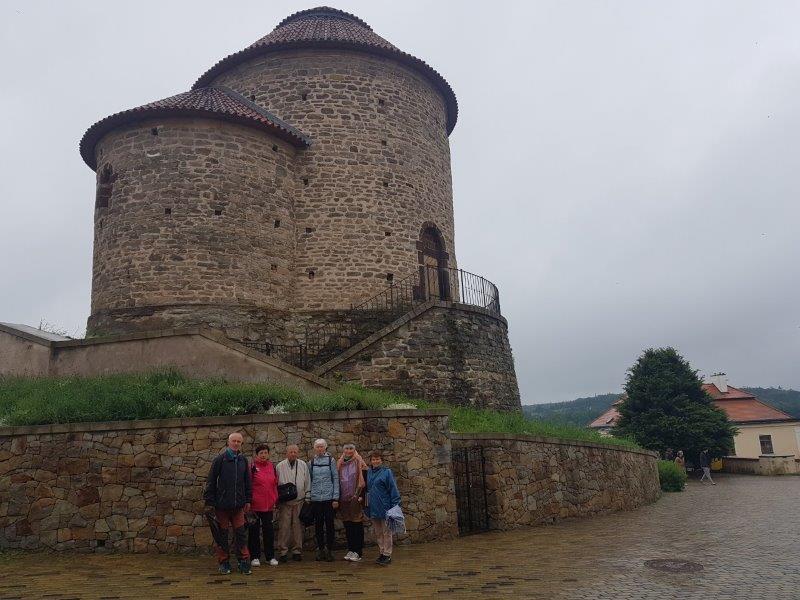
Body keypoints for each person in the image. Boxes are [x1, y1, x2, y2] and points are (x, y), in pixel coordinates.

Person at [204, 432, 252, 575]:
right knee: (222, 535)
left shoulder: (243, 460)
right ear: (228, 442)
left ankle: (243, 561)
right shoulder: (220, 460)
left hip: (238, 506)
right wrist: (210, 502)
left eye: (238, 441)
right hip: (222, 506)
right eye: (234, 441)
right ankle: (224, 562)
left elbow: (247, 482)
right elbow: (211, 481)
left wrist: (248, 500)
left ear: (241, 444)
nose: (236, 443)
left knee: (241, 534)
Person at [275, 444, 311, 562]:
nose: (293, 454)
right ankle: (283, 551)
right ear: (286, 453)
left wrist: (307, 496)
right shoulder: (280, 466)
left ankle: (297, 550)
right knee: (284, 527)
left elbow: (307, 481)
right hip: (285, 502)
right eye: (291, 452)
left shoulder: (303, 465)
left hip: (299, 500)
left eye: (295, 452)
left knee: (297, 527)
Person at [366, 450, 401, 566]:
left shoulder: (387, 472)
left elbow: (392, 488)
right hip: (373, 506)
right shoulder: (369, 472)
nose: (375, 461)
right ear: (371, 461)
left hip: (385, 506)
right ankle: (381, 552)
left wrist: (395, 504)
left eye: (377, 459)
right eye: (373, 459)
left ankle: (387, 554)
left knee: (387, 532)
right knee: (378, 532)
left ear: (381, 460)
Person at [309, 438, 340, 561]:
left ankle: (330, 549)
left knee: (330, 525)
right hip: (316, 498)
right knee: (318, 525)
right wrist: (309, 495)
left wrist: (335, 497)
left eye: (322, 446)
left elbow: (335, 478)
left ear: (325, 448)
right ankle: (320, 549)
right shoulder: (311, 462)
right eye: (317, 447)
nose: (320, 448)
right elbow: (309, 480)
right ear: (314, 448)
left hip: (329, 498)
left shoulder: (331, 461)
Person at [337, 443, 368, 562]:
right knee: (348, 523)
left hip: (356, 497)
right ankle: (351, 549)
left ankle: (358, 551)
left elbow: (364, 478)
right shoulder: (340, 462)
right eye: (346, 448)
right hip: (344, 498)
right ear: (343, 450)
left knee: (357, 523)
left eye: (351, 449)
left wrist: (361, 495)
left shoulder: (359, 461)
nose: (349, 451)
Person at [248, 444, 279, 567]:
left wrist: (275, 499)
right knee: (254, 532)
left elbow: (275, 484)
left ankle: (270, 556)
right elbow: (249, 485)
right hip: (255, 506)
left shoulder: (272, 466)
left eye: (265, 453)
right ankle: (254, 556)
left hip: (269, 505)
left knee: (269, 532)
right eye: (261, 453)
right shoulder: (252, 467)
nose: (263, 455)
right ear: (257, 455)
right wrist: (249, 501)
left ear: (268, 454)